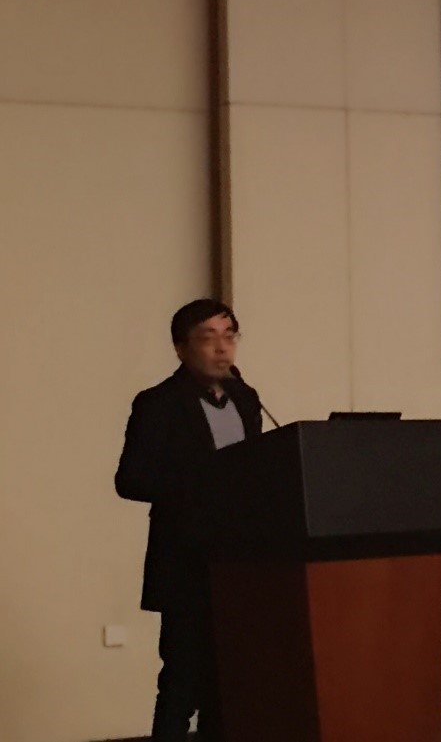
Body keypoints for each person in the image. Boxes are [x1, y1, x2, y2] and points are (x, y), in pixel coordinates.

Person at [115, 299, 263, 741]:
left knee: (229, 684)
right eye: (208, 337)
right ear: (181, 348)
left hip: (239, 562)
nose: (222, 348)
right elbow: (130, 479)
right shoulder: (158, 403)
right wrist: (198, 482)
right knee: (182, 681)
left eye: (229, 336)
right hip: (185, 563)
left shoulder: (246, 398)